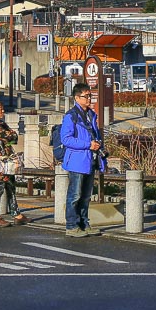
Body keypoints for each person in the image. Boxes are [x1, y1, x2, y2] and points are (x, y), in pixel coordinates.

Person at [61, 83, 106, 237]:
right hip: (77, 161)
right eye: (86, 96)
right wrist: (88, 145)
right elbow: (66, 139)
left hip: (90, 159)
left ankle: (84, 223)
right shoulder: (71, 116)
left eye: (90, 96)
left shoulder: (91, 115)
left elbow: (94, 135)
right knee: (74, 195)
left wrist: (98, 146)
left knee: (86, 196)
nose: (89, 99)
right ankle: (71, 226)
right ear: (76, 98)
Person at [0, 97, 28, 227]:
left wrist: (10, 136)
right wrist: (9, 136)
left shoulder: (1, 123)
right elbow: (10, 136)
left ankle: (17, 214)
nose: (2, 110)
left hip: (7, 160)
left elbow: (13, 138)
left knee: (11, 187)